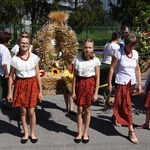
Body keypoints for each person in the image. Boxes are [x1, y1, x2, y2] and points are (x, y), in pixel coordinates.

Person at [7, 36, 42, 144]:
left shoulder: (34, 58)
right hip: (20, 84)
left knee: (31, 111)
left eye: (26, 43)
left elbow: (37, 75)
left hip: (32, 84)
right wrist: (9, 92)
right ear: (18, 44)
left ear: (29, 45)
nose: (24, 45)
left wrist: (40, 91)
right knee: (23, 111)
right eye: (22, 43)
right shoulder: (14, 60)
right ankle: (25, 133)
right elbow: (11, 76)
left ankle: (32, 133)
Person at [108, 33, 142, 144]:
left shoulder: (135, 54)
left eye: (133, 46)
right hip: (121, 82)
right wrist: (109, 83)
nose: (132, 48)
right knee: (127, 106)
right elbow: (112, 68)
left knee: (121, 103)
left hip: (131, 83)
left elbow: (137, 69)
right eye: (130, 45)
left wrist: (140, 84)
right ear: (125, 44)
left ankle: (115, 116)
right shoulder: (118, 53)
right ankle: (131, 131)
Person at [72, 39, 100, 143]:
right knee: (79, 110)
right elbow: (74, 77)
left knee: (87, 110)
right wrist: (73, 91)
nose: (87, 49)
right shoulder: (77, 59)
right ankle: (79, 132)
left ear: (93, 48)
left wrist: (96, 92)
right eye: (85, 47)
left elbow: (97, 78)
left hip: (90, 85)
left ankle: (85, 133)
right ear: (82, 48)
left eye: (89, 47)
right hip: (80, 85)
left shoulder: (95, 61)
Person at [100, 31, 122, 96]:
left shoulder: (107, 44)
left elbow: (103, 55)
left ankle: (108, 97)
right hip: (109, 65)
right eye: (120, 38)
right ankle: (107, 98)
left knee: (106, 82)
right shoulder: (116, 46)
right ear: (118, 38)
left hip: (103, 63)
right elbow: (118, 56)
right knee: (109, 82)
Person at [0, 32, 12, 105]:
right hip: (3, 73)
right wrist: (7, 74)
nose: (10, 41)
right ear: (6, 40)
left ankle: (6, 103)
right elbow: (4, 63)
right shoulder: (4, 49)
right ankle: (7, 103)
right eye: (9, 39)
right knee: (6, 89)